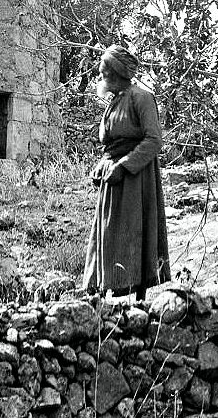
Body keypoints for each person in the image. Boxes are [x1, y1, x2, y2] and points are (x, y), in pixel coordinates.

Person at [82, 44, 171, 301]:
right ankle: (106, 291)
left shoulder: (141, 98)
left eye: (103, 72)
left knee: (133, 232)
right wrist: (103, 164)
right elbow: (111, 144)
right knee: (109, 232)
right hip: (113, 181)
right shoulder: (114, 102)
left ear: (116, 73)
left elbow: (154, 140)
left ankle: (138, 300)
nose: (100, 77)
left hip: (136, 179)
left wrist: (124, 166)